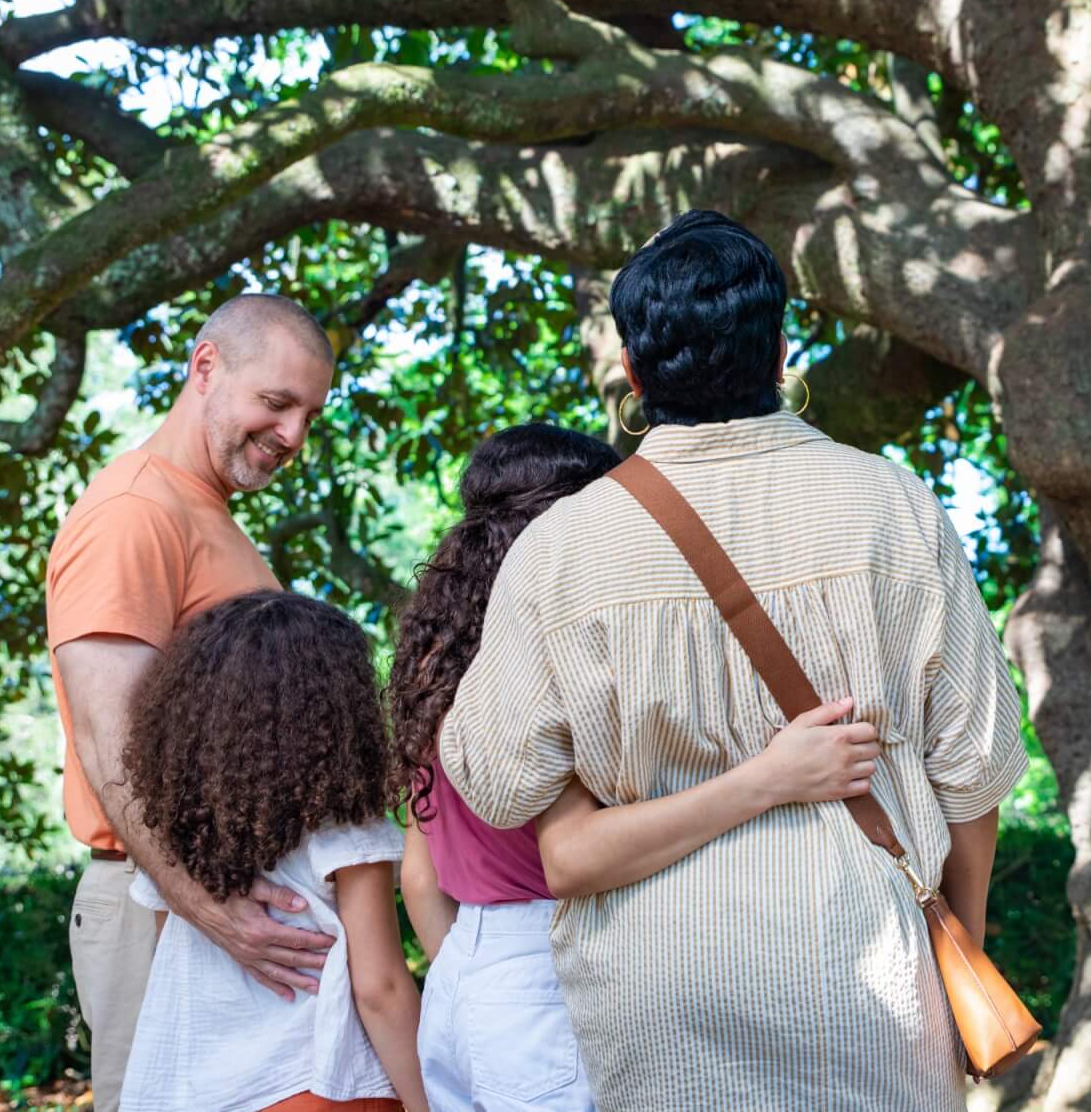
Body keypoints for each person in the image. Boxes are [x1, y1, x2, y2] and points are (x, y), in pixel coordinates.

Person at [439, 212, 1028, 1112]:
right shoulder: (891, 507)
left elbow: (496, 779)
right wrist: (959, 944)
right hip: (869, 977)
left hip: (657, 993)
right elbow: (972, 768)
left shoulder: (562, 549)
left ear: (635, 373)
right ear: (781, 350)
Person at [391, 423, 883, 1112]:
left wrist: (479, 982)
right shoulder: (550, 657)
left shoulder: (433, 662)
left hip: (464, 984)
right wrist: (772, 777)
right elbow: (577, 856)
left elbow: (419, 875)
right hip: (553, 973)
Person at [45, 293, 338, 1109]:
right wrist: (209, 907)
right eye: (275, 404)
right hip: (163, 907)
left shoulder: (204, 513)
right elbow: (113, 747)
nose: (293, 437)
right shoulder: (136, 512)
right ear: (204, 368)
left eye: (309, 414)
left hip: (209, 901)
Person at [118, 591, 428, 1112]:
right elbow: (380, 988)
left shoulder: (179, 839)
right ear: (339, 710)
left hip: (197, 1090)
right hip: (315, 1085)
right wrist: (432, 1101)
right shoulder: (346, 830)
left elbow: (170, 971)